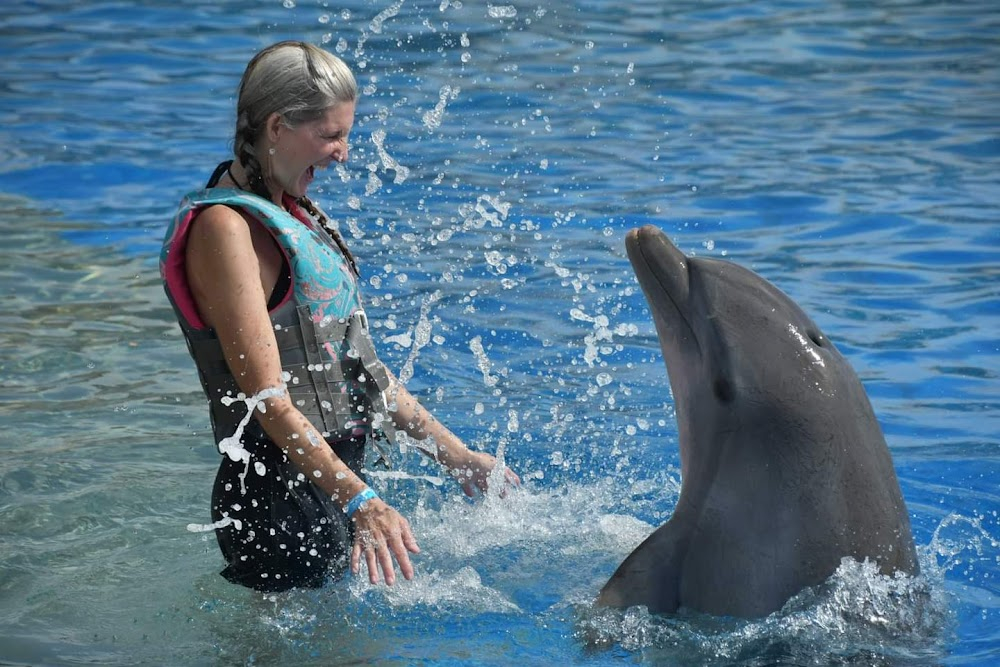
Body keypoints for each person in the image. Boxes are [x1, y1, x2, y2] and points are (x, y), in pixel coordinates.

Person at [160, 40, 519, 593]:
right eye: (330, 135)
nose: (343, 152)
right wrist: (361, 501)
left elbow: (359, 371)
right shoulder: (225, 230)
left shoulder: (290, 213)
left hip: (329, 488)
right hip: (277, 500)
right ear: (277, 127)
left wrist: (460, 457)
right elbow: (265, 398)